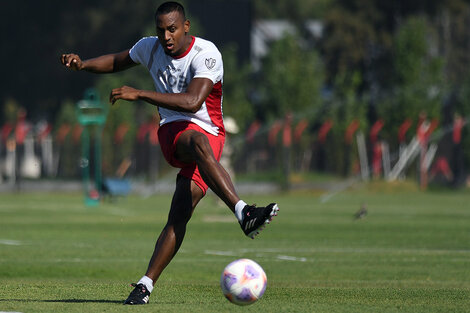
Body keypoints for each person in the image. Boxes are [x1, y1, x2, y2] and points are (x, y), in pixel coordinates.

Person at [60, 1, 279, 305]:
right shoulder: (149, 48)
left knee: (179, 213)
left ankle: (144, 285)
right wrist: (82, 64)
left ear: (186, 26)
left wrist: (139, 93)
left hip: (211, 135)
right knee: (197, 144)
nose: (166, 36)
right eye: (160, 30)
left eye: (172, 29)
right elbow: (116, 60)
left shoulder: (207, 55)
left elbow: (192, 102)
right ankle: (244, 212)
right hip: (174, 133)